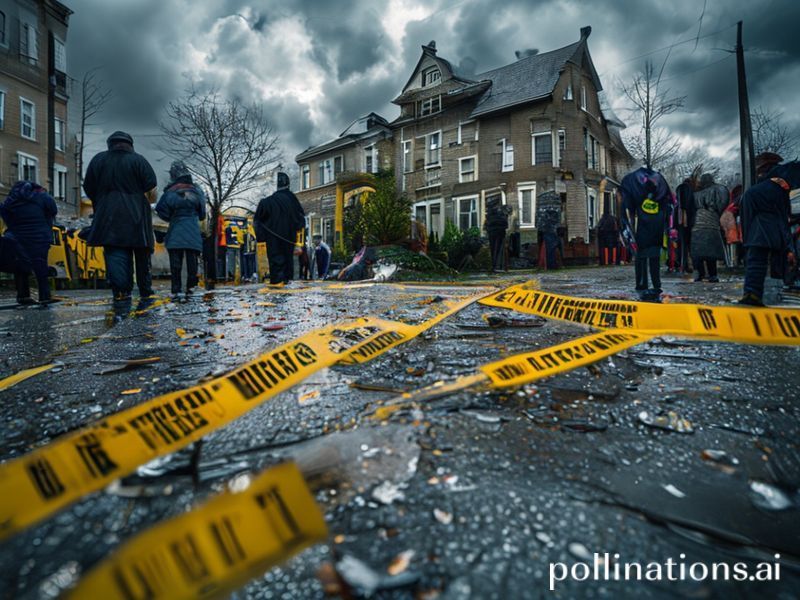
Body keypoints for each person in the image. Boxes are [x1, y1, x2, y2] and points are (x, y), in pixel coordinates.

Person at [83, 131, 158, 302]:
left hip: (108, 215)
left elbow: (89, 187)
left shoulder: (99, 160)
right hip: (137, 214)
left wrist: (101, 199)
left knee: (115, 252)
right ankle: (145, 289)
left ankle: (121, 291)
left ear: (110, 144)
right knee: (141, 253)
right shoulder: (139, 160)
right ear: (130, 144)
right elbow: (151, 187)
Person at [739, 158, 797, 306]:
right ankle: (770, 295)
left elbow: (747, 215)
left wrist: (746, 239)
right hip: (774, 231)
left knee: (756, 263)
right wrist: (788, 245)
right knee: (775, 264)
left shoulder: (754, 191)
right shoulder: (781, 191)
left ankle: (752, 295)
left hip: (757, 232)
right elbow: (785, 217)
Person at [155, 160, 206, 299]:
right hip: (192, 230)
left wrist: (173, 216)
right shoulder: (197, 191)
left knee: (175, 264)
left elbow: (161, 211)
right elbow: (202, 214)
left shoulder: (170, 192)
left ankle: (176, 290)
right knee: (192, 262)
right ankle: (191, 288)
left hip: (176, 229)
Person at [0, 181, 57, 304]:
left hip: (18, 237)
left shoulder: (12, 199)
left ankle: (23, 296)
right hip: (39, 237)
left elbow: (4, 213)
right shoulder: (41, 196)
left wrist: (14, 227)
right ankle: (45, 296)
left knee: (21, 266)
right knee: (40, 265)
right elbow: (53, 209)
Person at [620, 166, 671, 301]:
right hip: (656, 234)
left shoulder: (639, 199)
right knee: (654, 260)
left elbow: (630, 210)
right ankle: (656, 284)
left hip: (642, 234)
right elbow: (667, 211)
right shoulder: (661, 201)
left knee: (641, 260)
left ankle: (641, 284)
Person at [254, 172, 305, 284]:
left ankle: (277, 286)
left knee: (275, 264)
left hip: (272, 239)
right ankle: (287, 285)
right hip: (289, 239)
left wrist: (262, 237)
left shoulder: (266, 202)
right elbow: (301, 220)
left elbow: (257, 221)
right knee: (288, 264)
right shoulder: (293, 200)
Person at [691, 173, 728, 283]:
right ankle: (712, 275)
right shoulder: (719, 189)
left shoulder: (696, 194)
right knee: (711, 253)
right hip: (712, 223)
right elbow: (722, 204)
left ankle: (700, 274)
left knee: (698, 253)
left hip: (697, 225)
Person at [536, 191, 562, 269]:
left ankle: (549, 264)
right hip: (551, 231)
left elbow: (540, 220)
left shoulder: (543, 209)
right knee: (551, 248)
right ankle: (551, 264)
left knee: (548, 248)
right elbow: (556, 220)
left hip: (546, 230)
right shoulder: (554, 210)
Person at [675, 178, 696, 273]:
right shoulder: (691, 193)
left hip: (680, 222)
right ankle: (692, 264)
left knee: (682, 244)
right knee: (691, 244)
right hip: (690, 222)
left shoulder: (679, 192)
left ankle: (682, 264)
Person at [484, 196, 510, 272]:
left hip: (492, 233)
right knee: (499, 250)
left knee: (493, 249)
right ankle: (498, 266)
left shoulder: (489, 213)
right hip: (499, 232)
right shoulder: (500, 212)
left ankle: (494, 265)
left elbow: (487, 224)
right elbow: (504, 223)